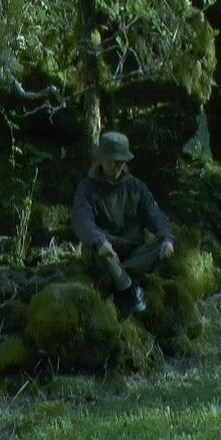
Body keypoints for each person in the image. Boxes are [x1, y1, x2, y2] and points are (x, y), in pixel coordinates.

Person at [71, 130, 174, 316]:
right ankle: (129, 291)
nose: (117, 167)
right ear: (101, 159)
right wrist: (99, 242)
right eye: (112, 161)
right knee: (106, 258)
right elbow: (82, 221)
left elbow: (154, 214)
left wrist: (167, 237)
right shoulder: (86, 189)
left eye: (121, 162)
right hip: (104, 251)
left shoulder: (136, 187)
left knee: (163, 245)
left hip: (133, 252)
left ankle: (116, 279)